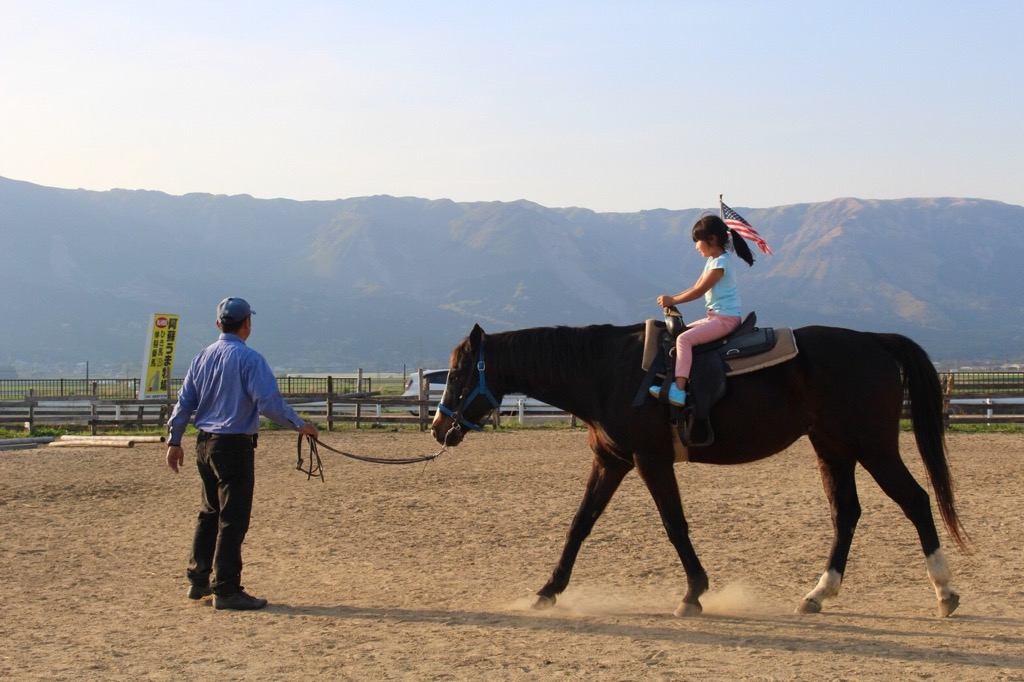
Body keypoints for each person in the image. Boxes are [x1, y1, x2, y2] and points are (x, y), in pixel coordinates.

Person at [166, 297, 319, 610]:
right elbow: (269, 404)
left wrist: (174, 439)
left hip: (204, 444)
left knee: (209, 513)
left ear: (218, 324)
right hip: (233, 445)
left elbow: (184, 403)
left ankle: (199, 580)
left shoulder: (201, 358)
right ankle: (226, 589)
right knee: (233, 519)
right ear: (247, 323)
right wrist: (300, 425)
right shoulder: (251, 360)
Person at [651, 215, 756, 406]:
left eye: (698, 241)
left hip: (726, 319)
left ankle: (679, 390)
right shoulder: (713, 261)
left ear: (712, 239)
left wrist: (672, 299)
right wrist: (671, 299)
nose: (696, 247)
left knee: (684, 339)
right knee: (679, 335)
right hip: (715, 317)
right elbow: (694, 287)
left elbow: (699, 292)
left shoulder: (721, 263)